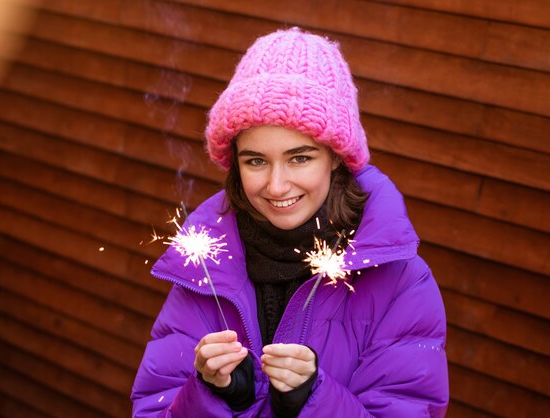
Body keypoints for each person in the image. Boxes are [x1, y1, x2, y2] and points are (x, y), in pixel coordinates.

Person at [131, 27, 449, 417]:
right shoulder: (205, 270)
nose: (276, 186)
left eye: (300, 158)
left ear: (335, 156)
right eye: (256, 161)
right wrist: (216, 396)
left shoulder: (401, 282)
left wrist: (312, 401)